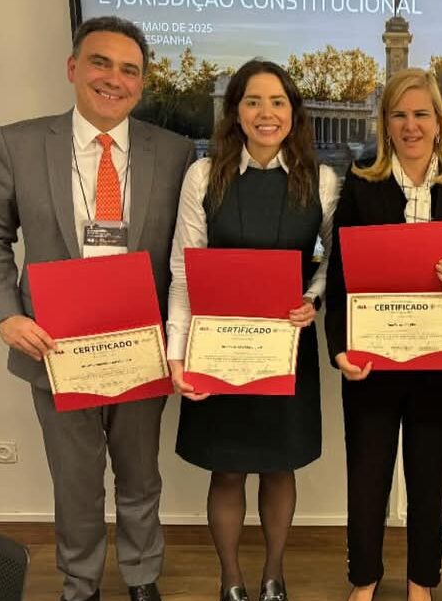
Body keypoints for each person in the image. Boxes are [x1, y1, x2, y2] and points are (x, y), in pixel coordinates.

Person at [0, 16, 195, 601]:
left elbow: (190, 249)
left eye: (129, 70)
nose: (112, 79)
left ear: (142, 84)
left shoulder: (171, 153)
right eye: (100, 63)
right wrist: (5, 314)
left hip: (140, 347)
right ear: (73, 68)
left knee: (141, 476)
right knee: (75, 482)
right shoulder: (18, 143)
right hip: (55, 345)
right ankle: (81, 584)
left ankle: (143, 578)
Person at [165, 60, 339, 601]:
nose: (267, 113)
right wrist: (177, 354)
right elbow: (182, 270)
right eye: (253, 102)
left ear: (294, 112)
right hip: (218, 350)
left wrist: (313, 299)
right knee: (228, 471)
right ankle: (231, 580)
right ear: (235, 112)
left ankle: (273, 576)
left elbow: (333, 260)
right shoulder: (204, 174)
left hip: (286, 346)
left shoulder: (323, 179)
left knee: (280, 467)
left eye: (278, 101)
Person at [324, 68, 442, 601]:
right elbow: (340, 274)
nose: (411, 125)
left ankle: (422, 582)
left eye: (422, 114)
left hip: (441, 362)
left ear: (440, 122)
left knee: (428, 477)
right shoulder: (361, 182)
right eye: (400, 114)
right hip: (372, 360)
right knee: (367, 475)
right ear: (385, 124)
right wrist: (337, 349)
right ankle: (364, 579)